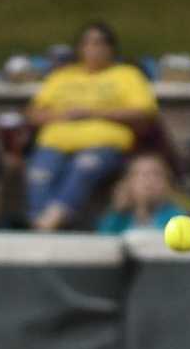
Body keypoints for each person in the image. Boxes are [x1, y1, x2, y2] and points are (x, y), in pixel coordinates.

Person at [22, 21, 156, 231]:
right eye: (87, 43)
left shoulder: (127, 75)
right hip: (54, 143)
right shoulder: (62, 76)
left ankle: (47, 224)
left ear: (111, 48)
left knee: (83, 167)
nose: (93, 49)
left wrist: (93, 112)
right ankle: (44, 222)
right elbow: (32, 113)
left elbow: (143, 113)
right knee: (38, 173)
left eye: (99, 43)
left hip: (104, 145)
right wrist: (62, 115)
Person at [95, 150, 189, 235]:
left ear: (167, 183)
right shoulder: (118, 217)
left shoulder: (177, 217)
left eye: (156, 174)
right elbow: (103, 240)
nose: (149, 180)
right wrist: (117, 210)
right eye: (141, 175)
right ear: (127, 183)